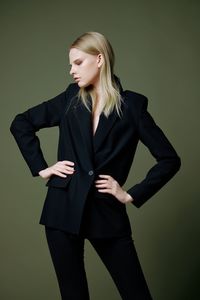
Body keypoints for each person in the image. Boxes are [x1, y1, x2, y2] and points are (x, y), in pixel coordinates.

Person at [10, 31, 181, 300]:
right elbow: (21, 123)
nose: (71, 71)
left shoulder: (132, 106)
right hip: (62, 208)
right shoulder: (70, 99)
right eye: (70, 64)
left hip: (106, 212)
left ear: (99, 59)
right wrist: (42, 168)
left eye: (77, 63)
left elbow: (169, 159)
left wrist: (131, 194)